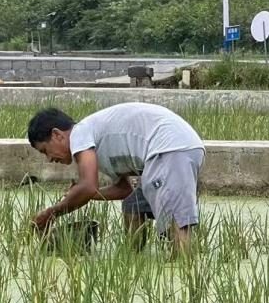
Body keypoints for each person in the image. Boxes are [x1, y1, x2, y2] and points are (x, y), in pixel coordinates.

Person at [27, 102, 205, 253]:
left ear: (57, 135)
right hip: (172, 150)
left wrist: (52, 212)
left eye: (45, 151)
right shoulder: (96, 142)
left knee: (176, 222)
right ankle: (134, 257)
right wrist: (88, 194)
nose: (49, 159)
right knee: (133, 204)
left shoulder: (79, 133)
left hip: (171, 149)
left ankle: (184, 269)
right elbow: (124, 189)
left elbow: (88, 185)